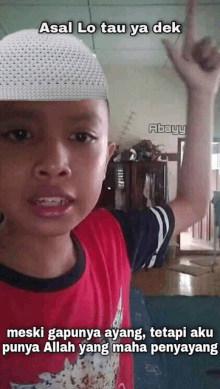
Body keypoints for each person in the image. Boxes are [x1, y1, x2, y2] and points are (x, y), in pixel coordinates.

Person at [0, 0, 219, 388]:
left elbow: (194, 203)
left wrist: (202, 96)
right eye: (20, 134)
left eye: (81, 136)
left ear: (107, 161)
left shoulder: (115, 236)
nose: (53, 163)